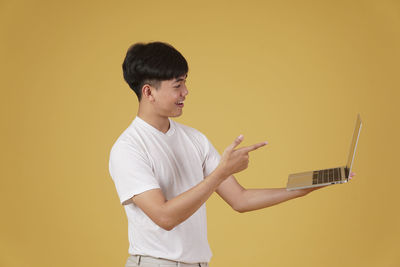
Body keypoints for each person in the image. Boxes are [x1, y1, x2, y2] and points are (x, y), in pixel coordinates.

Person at [108, 41, 355, 267]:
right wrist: (220, 173)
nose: (186, 92)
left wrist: (301, 190)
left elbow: (240, 199)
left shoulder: (194, 139)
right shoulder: (128, 148)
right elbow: (164, 217)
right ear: (149, 93)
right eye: (178, 85)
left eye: (185, 82)